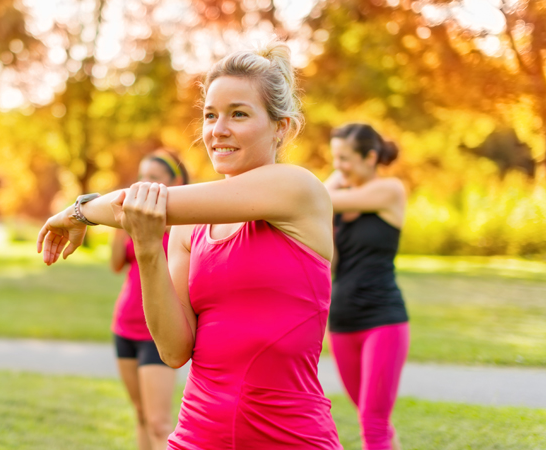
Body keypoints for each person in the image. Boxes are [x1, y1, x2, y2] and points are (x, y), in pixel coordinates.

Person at [38, 40, 342, 449]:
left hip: (290, 437)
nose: (218, 130)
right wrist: (148, 251)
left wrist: (76, 213)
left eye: (239, 114)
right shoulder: (188, 228)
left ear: (280, 127)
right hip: (197, 436)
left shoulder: (297, 189)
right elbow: (173, 350)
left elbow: (146, 201)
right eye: (210, 115)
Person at [324, 123, 410, 450]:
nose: (338, 167)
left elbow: (315, 197)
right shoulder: (338, 204)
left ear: (370, 157)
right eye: (335, 158)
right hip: (343, 323)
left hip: (383, 320)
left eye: (344, 158)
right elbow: (329, 265)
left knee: (372, 423)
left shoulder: (390, 191)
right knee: (374, 419)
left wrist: (329, 187)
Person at [110, 150, 188, 450]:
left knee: (159, 423)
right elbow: (116, 265)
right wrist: (120, 228)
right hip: (124, 326)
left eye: (154, 178)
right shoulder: (136, 221)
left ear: (175, 182)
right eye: (142, 176)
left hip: (157, 333)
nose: (145, 184)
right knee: (141, 415)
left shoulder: (181, 227)